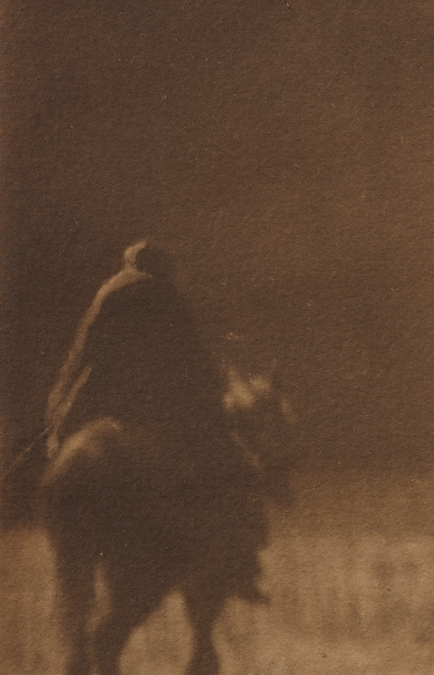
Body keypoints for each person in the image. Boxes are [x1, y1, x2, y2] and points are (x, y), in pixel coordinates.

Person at [45, 239, 267, 600]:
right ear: (165, 267)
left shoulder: (106, 295)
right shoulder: (169, 296)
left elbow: (81, 358)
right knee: (238, 468)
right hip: (162, 415)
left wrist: (57, 421)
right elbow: (195, 361)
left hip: (102, 411)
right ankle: (242, 568)